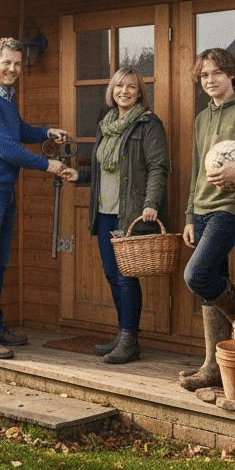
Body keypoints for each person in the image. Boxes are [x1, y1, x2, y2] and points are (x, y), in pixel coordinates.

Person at [0, 37, 77, 360]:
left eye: (17, 64)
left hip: (0, 188)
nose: (13, 69)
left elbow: (18, 131)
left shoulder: (6, 95)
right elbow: (7, 149)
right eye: (7, 63)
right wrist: (50, 165)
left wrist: (45, 132)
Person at [179, 47, 235, 391]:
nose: (210, 80)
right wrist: (188, 214)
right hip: (201, 208)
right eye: (204, 75)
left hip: (231, 208)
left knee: (197, 275)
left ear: (231, 74)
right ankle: (213, 366)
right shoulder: (203, 119)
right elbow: (197, 170)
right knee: (206, 288)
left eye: (216, 73)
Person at [75, 66, 170, 364]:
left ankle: (131, 340)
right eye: (119, 86)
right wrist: (77, 175)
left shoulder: (148, 124)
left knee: (125, 277)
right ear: (111, 91)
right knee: (110, 274)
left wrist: (151, 202)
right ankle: (122, 333)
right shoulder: (106, 125)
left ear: (140, 92)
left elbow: (159, 167)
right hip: (104, 212)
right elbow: (106, 170)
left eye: (131, 87)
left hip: (130, 212)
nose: (124, 91)